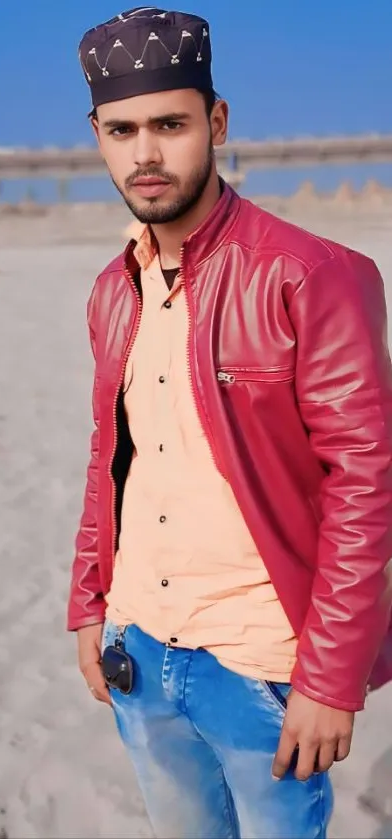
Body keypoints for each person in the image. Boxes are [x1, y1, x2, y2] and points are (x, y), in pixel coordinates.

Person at [68, 7, 392, 838]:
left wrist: (330, 678)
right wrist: (88, 604)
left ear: (215, 122)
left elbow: (364, 485)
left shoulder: (311, 275)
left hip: (260, 663)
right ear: (97, 136)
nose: (145, 154)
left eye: (169, 125)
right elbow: (112, 457)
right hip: (138, 648)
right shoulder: (112, 291)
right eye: (122, 130)